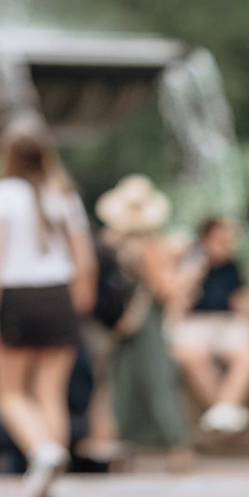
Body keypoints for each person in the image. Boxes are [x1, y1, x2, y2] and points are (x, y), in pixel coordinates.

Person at [0, 115, 96, 497]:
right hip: (58, 295)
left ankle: (41, 451)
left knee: (7, 391)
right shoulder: (63, 194)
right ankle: (50, 476)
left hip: (16, 298)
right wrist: (79, 304)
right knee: (49, 392)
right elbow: (85, 261)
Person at [94, 174, 192, 464]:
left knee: (125, 385)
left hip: (119, 322)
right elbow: (165, 289)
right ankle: (177, 445)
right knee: (157, 380)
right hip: (144, 321)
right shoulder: (147, 246)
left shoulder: (112, 241)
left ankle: (125, 445)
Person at [171, 211, 249, 433]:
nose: (226, 244)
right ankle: (225, 410)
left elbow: (241, 301)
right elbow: (176, 307)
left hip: (228, 324)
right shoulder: (191, 264)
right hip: (195, 323)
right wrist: (190, 281)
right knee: (191, 355)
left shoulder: (233, 266)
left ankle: (221, 411)